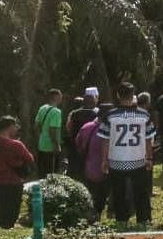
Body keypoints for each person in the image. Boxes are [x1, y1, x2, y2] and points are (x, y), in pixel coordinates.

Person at [99, 83, 157, 226]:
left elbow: (105, 140)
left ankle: (122, 219)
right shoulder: (144, 114)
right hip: (138, 159)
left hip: (116, 160)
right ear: (133, 96)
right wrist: (149, 158)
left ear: (118, 96)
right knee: (141, 192)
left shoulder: (110, 115)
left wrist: (104, 159)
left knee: (119, 192)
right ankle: (143, 219)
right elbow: (149, 139)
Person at [0, 116, 34, 229]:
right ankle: (8, 228)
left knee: (0, 209)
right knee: (12, 210)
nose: (17, 128)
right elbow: (30, 159)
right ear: (9, 127)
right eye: (15, 125)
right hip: (14, 181)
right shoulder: (16, 145)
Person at [76, 103, 114, 221]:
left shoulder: (86, 127)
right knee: (101, 196)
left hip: (88, 167)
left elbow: (79, 144)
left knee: (90, 194)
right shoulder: (111, 130)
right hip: (106, 168)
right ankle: (98, 215)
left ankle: (89, 216)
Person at [65, 87, 99, 181]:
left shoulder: (74, 114)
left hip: (76, 146)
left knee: (76, 171)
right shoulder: (96, 115)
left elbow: (68, 128)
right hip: (91, 147)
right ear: (94, 103)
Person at [34, 88, 63, 177]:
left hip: (41, 145)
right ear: (56, 97)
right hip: (51, 148)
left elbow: (36, 126)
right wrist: (57, 146)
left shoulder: (42, 108)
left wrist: (41, 138)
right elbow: (52, 130)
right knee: (51, 175)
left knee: (42, 174)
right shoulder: (56, 112)